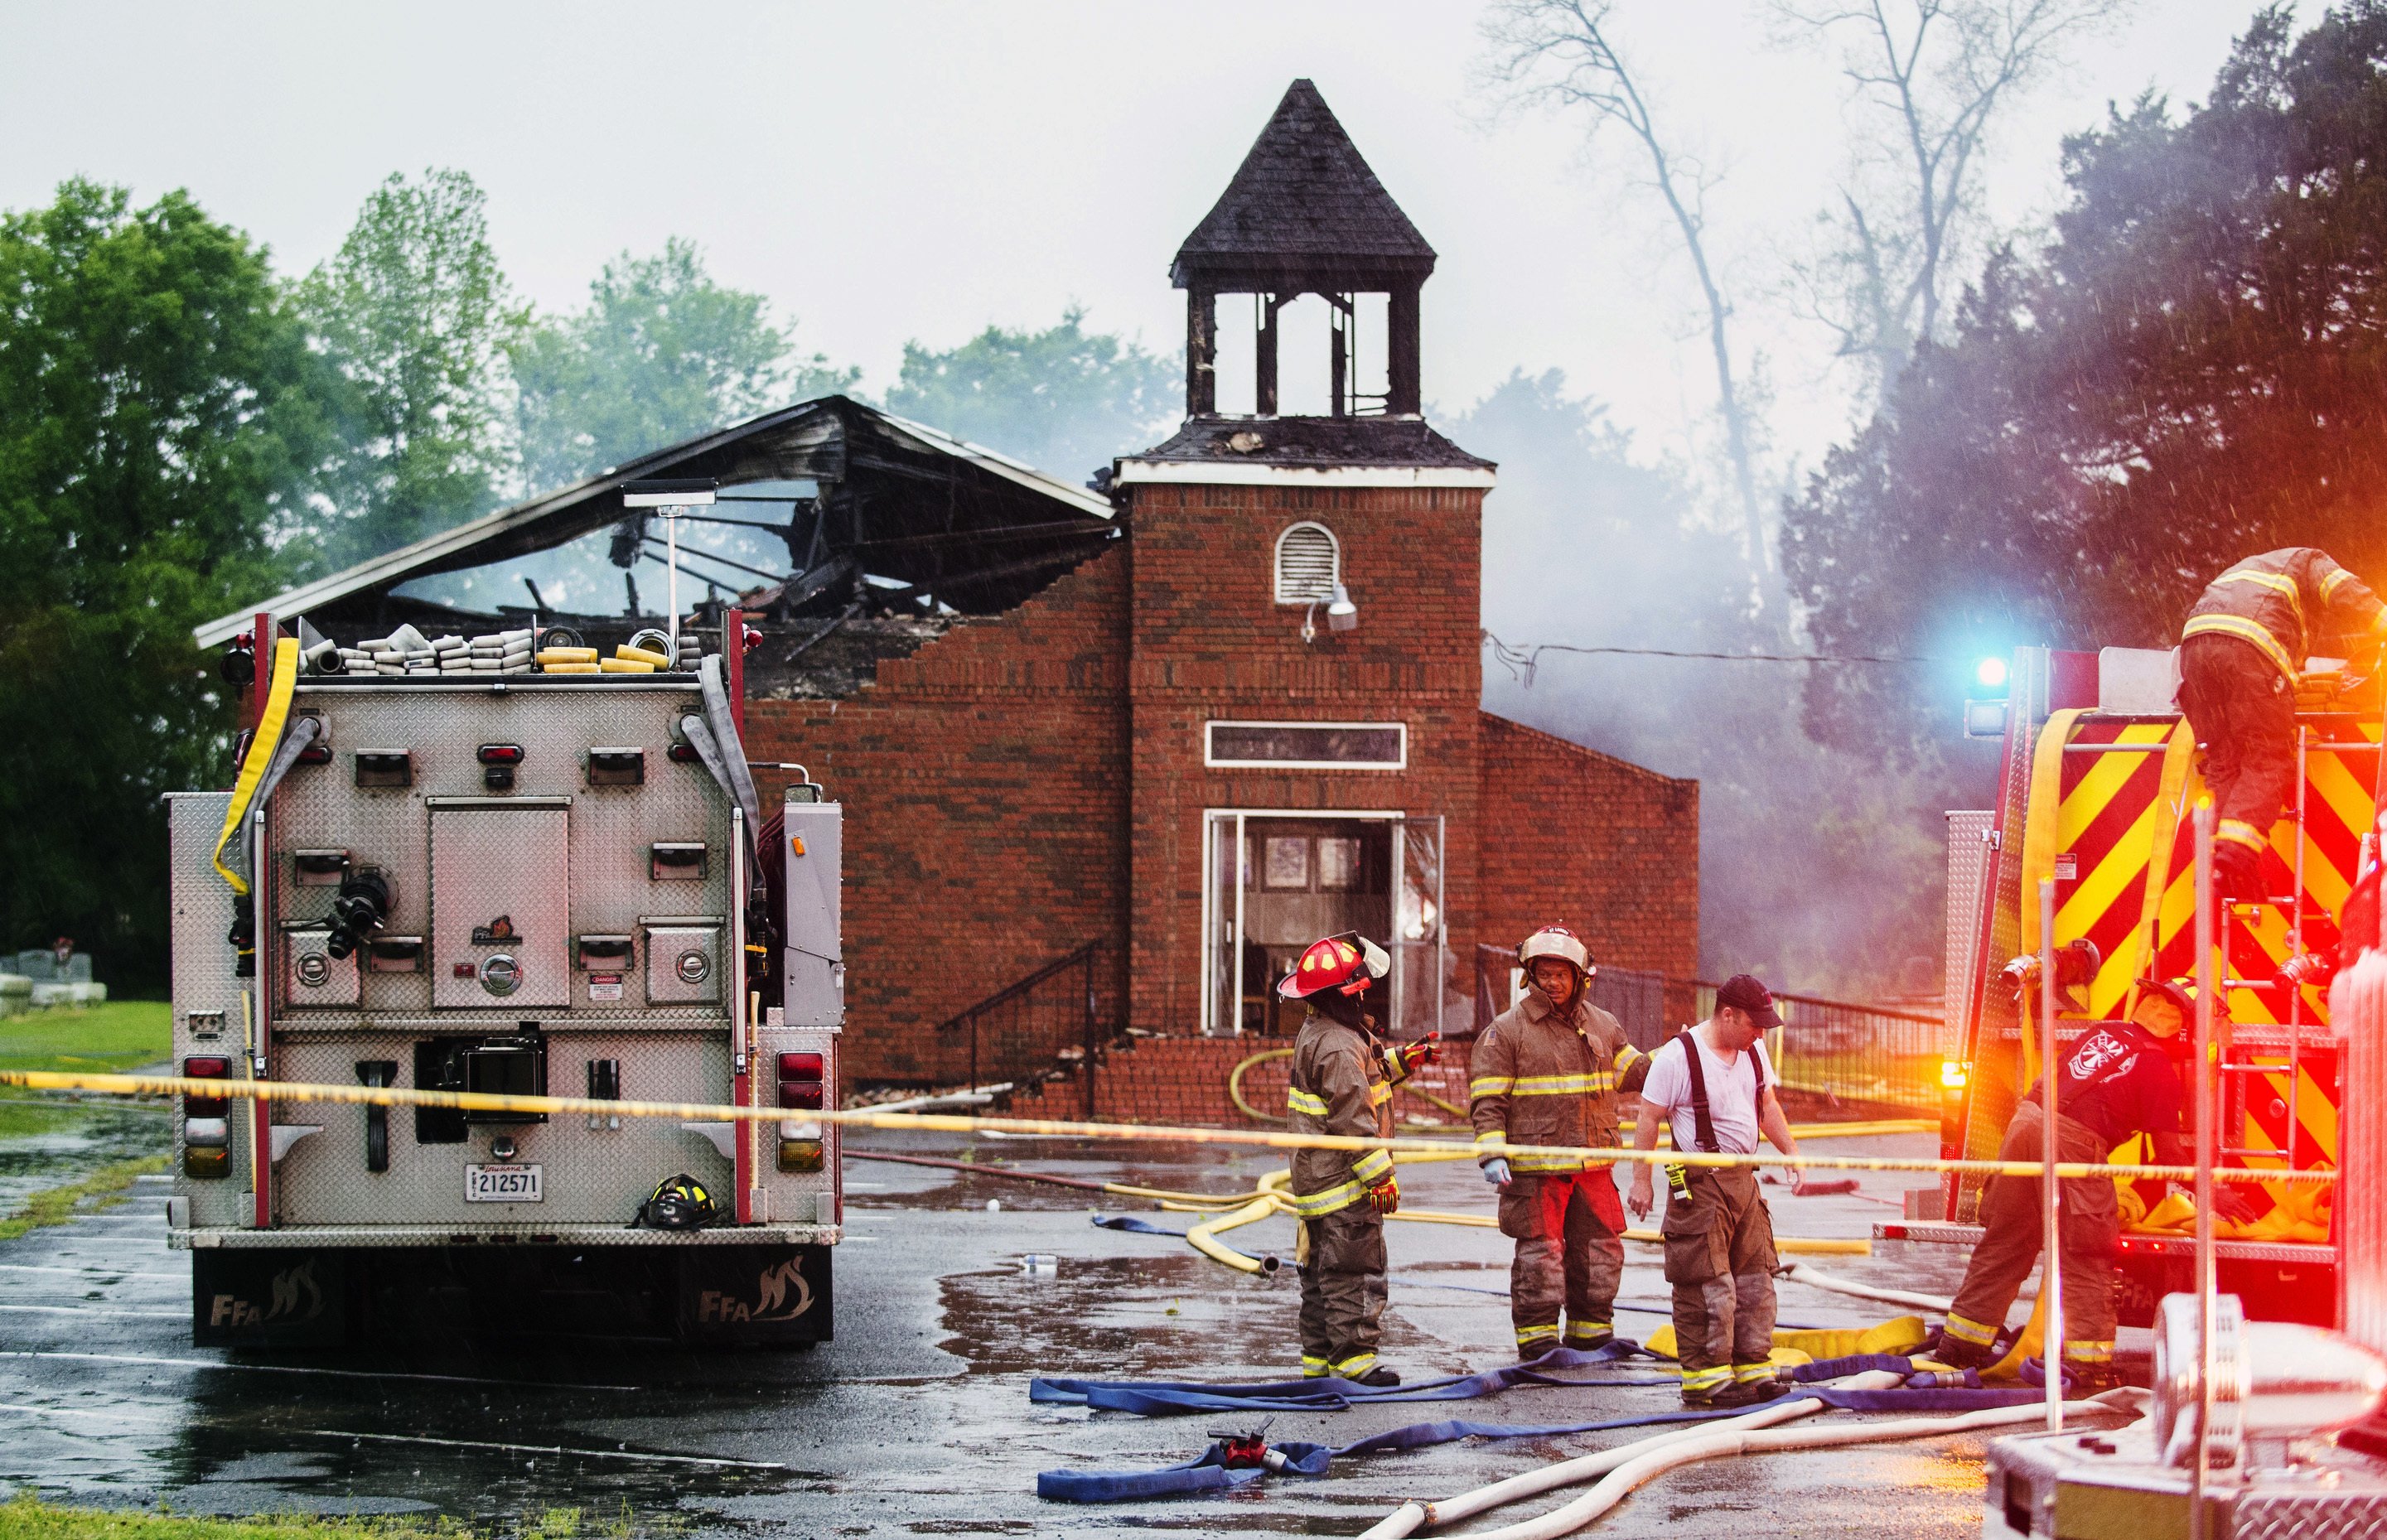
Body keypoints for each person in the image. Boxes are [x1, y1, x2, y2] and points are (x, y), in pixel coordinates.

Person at [1935, 978, 2250, 1385]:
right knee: (2086, 1252)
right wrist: (2214, 1194)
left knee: (2007, 1240)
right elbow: (2169, 1154)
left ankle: (1959, 1348)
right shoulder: (2158, 1068)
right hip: (2073, 1142)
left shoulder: (2106, 1031)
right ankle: (2088, 1367)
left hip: (2025, 1122)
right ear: (2185, 1028)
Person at [1470, 925, 1651, 1359]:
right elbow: (1488, 1102)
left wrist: (1681, 1052)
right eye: (1543, 974)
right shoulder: (1506, 1032)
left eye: (1560, 975)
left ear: (1580, 977)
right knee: (1541, 1258)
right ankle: (1538, 1341)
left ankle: (1591, 1334)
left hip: (1592, 1166)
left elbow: (1636, 1074)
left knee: (1600, 1252)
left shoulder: (1604, 1025)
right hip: (1537, 1170)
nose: (1550, 983)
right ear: (1528, 975)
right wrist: (1492, 1154)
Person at [1626, 975, 1800, 1407]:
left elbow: (1767, 1106)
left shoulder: (1753, 1051)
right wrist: (1642, 1180)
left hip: (1744, 1180)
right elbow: (1648, 1119)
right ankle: (1706, 1380)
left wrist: (1791, 1152)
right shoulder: (1677, 1057)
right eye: (1754, 1025)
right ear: (1727, 1014)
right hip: (1699, 1184)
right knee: (1707, 1283)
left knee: (1756, 1280)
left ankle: (1753, 1370)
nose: (1761, 1034)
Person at [2181, 548, 2386, 898]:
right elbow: (2343, 591)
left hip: (2193, 651)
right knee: (2267, 757)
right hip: (2249, 650)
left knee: (2225, 761)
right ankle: (2234, 857)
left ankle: (2216, 866)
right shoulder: (2306, 561)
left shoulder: (2252, 571)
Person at [1280, 930, 1438, 1383]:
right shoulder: (1339, 1045)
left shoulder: (1327, 1033)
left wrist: (1404, 1060)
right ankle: (1354, 1363)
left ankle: (1320, 1364)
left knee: (1320, 1278)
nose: (1369, 992)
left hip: (1318, 1186)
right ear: (1347, 993)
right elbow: (1354, 1118)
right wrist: (1380, 1178)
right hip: (1345, 1189)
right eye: (1363, 987)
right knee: (1353, 1270)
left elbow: (1364, 1076)